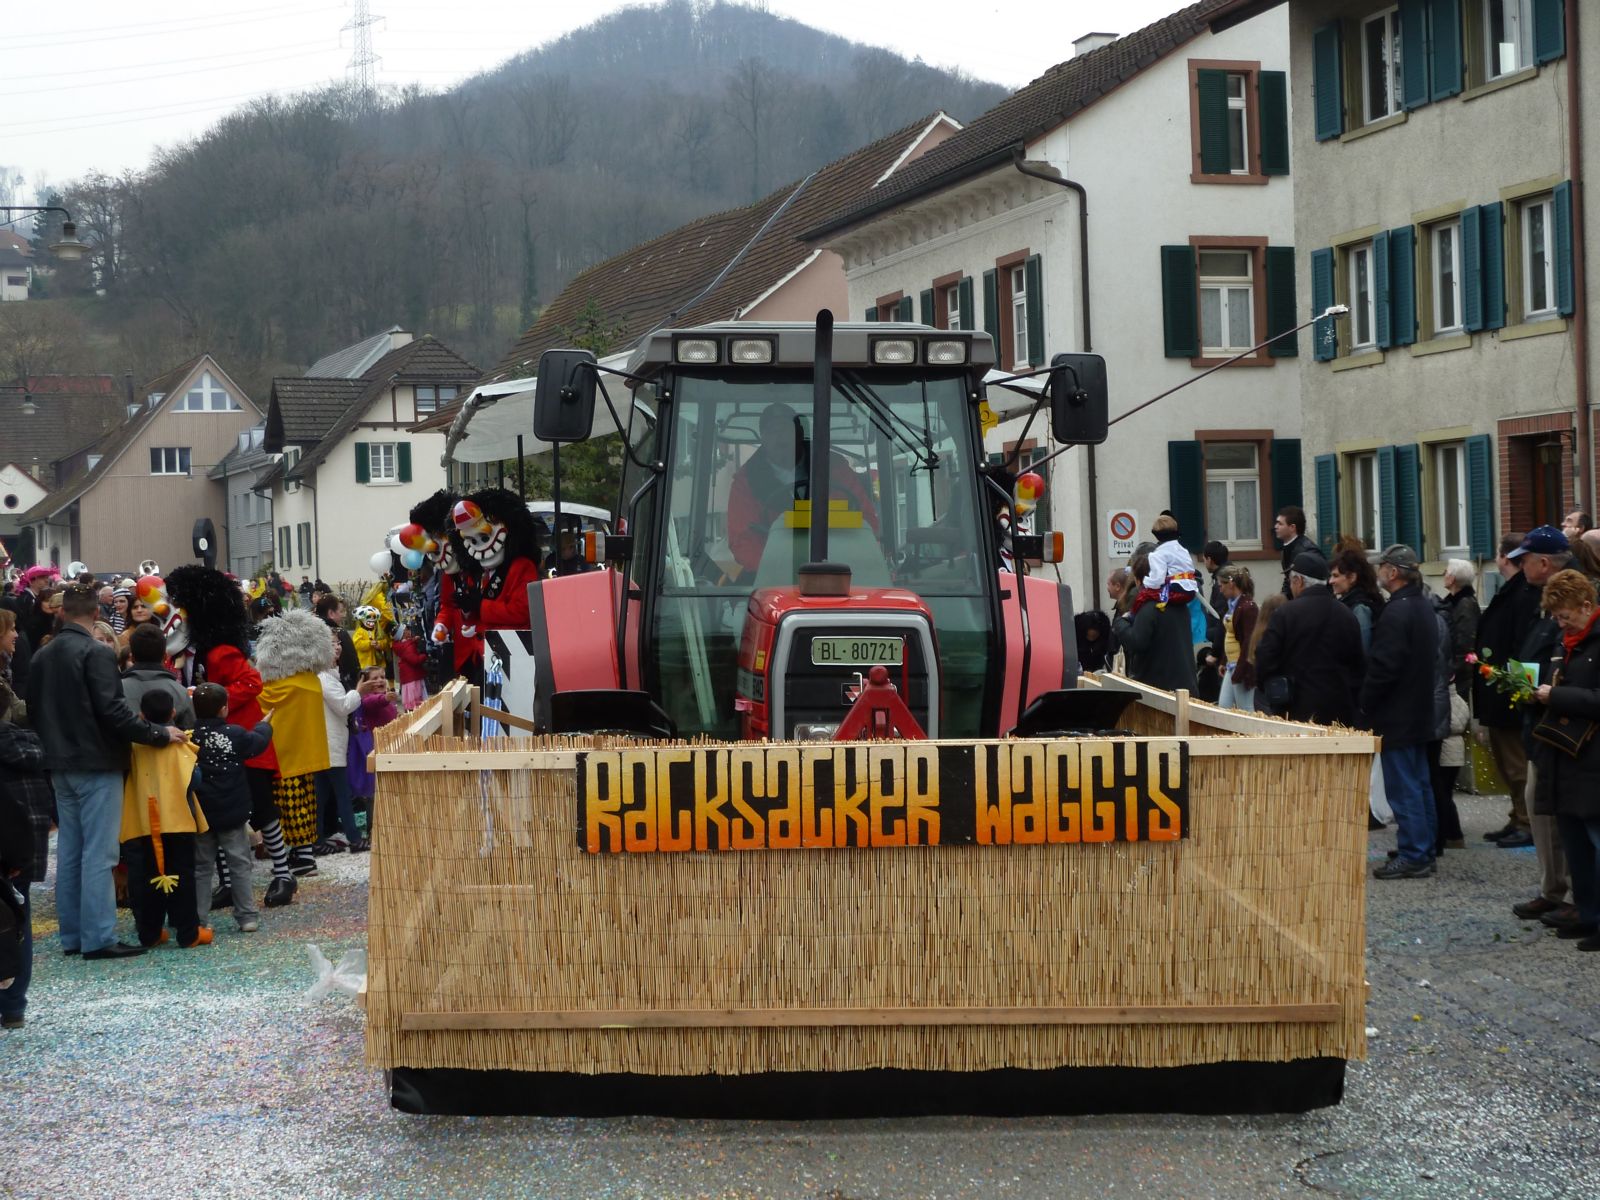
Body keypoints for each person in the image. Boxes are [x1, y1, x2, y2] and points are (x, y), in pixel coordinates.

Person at [25, 584, 181, 959]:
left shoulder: (42, 655)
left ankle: (73, 935)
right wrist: (158, 733)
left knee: (71, 851)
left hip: (58, 762)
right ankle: (98, 937)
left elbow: (33, 709)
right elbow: (113, 711)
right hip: (96, 760)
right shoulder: (96, 653)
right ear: (96, 613)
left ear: (62, 612)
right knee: (100, 853)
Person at [1526, 569, 1600, 950]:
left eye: (1565, 615)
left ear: (1586, 606)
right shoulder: (1566, 642)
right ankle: (1588, 915)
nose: (1560, 623)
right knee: (1576, 846)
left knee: (1595, 841)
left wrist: (1555, 697)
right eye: (1556, 616)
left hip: (1593, 758)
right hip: (1565, 755)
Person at [1507, 526, 1576, 922]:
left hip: (1562, 726)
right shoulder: (1539, 601)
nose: (1521, 567)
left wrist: (1544, 688)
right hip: (1540, 722)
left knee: (1563, 817)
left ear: (1545, 563)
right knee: (1540, 810)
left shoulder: (1572, 602)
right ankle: (1553, 889)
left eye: (1526, 560)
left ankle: (1573, 896)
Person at [726, 402, 880, 575]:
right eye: (772, 430)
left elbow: (866, 521)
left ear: (799, 434)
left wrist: (849, 565)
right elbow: (743, 539)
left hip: (842, 572)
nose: (780, 435)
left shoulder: (834, 467)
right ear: (763, 438)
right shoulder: (746, 482)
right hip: (776, 577)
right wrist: (779, 570)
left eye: (786, 428)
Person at [1363, 545, 1440, 879]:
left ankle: (1415, 852)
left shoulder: (1396, 611)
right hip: (1419, 707)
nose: (1378, 572)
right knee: (1420, 784)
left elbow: (1385, 666)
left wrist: (1366, 700)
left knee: (1404, 787)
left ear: (1393, 572)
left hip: (1398, 711)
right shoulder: (1422, 605)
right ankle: (1423, 846)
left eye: (1382, 567)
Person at [120, 689, 209, 949]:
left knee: (146, 876)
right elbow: (194, 779)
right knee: (183, 874)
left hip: (142, 819)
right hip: (177, 817)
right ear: (173, 713)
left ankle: (150, 932)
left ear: (141, 715)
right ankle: (188, 932)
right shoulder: (180, 743)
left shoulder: (134, 745)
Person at [189, 682, 272, 934]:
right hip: (232, 811)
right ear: (224, 708)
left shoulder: (189, 737)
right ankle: (247, 916)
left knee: (201, 867)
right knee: (239, 864)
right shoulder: (234, 734)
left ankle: (198, 919)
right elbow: (257, 742)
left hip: (202, 813)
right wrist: (264, 725)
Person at [1477, 532, 1540, 853]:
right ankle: (1517, 816)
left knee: (1516, 764)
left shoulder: (1523, 594)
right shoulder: (1513, 591)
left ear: (1505, 557)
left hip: (1508, 692)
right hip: (1498, 689)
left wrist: (1517, 693)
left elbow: (1521, 645)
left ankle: (1527, 821)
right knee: (1507, 762)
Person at [1253, 552, 1364, 725]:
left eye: (1291, 581)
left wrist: (1270, 688)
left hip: (1294, 712)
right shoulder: (1347, 614)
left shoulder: (1285, 614)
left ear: (1299, 581)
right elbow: (1358, 666)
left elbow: (1265, 658)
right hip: (1339, 713)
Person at [0, 680, 48, 1029]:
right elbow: (35, 804)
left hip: (11, 853)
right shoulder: (27, 746)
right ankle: (14, 1004)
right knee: (17, 923)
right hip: (19, 855)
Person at [312, 640, 375, 856]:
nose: (337, 647)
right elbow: (343, 706)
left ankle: (317, 839)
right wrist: (359, 691)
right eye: (331, 644)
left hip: (327, 743)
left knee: (322, 794)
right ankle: (354, 839)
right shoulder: (324, 678)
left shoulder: (327, 676)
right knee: (342, 793)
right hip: (331, 743)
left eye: (337, 642)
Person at [1111, 549, 1198, 693]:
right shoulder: (1179, 603)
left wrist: (1121, 623)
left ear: (1139, 581)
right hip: (1185, 685)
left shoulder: (1150, 606)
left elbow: (1137, 641)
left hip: (1160, 689)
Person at [121, 624, 195, 729]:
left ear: (132, 658)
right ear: (165, 657)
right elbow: (189, 733)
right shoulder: (181, 693)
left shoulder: (116, 691)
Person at [1214, 565, 1258, 712]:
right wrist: (1224, 661)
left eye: (1221, 585)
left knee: (1245, 708)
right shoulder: (1233, 606)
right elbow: (1230, 636)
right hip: (1231, 665)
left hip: (1241, 666)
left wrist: (1240, 671)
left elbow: (1249, 642)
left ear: (1231, 584)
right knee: (1223, 707)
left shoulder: (1248, 607)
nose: (1220, 590)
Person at [1328, 549, 1383, 653]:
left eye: (1336, 576)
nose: (1330, 581)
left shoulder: (1360, 608)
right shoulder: (1357, 602)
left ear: (1352, 577)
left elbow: (1362, 649)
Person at [1441, 559, 1480, 699]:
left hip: (1459, 677)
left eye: (1446, 572)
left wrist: (1452, 672)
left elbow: (1465, 644)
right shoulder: (1454, 602)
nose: (1444, 574)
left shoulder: (1465, 604)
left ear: (1452, 578)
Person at [1274, 506, 1323, 599]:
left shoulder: (1308, 551)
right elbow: (1289, 579)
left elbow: (1317, 582)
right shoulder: (1286, 547)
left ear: (1292, 527)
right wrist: (1281, 600)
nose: (1276, 527)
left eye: (1280, 524)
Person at [315, 594, 361, 693]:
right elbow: (352, 662)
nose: (344, 615)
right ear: (331, 613)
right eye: (341, 611)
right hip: (342, 687)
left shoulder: (310, 633)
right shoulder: (339, 633)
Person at [1201, 541, 1230, 618]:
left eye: (1204, 560)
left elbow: (1218, 615)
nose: (1204, 564)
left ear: (1209, 560)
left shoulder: (1222, 582)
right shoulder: (1230, 574)